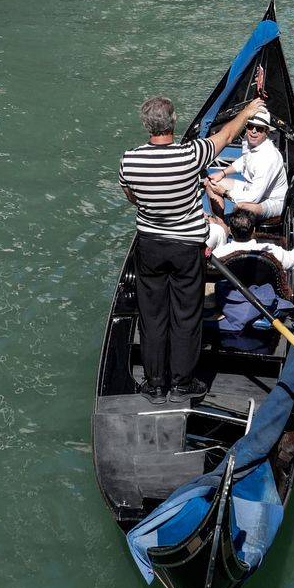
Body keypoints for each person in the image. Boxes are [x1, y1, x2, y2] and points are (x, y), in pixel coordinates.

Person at [119, 75, 266, 402]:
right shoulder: (191, 155)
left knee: (153, 316)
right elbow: (226, 134)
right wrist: (251, 108)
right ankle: (182, 384)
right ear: (174, 123)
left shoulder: (129, 161)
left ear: (147, 126)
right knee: (186, 315)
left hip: (150, 248)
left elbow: (131, 196)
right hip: (187, 248)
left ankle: (155, 385)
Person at [205, 102, 286, 223]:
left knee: (242, 207)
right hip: (251, 188)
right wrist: (222, 173)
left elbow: (253, 198)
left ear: (266, 132)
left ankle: (244, 235)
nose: (253, 132)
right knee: (210, 183)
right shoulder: (249, 142)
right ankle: (221, 224)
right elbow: (244, 161)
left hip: (272, 201)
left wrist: (225, 192)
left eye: (259, 129)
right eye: (250, 126)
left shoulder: (269, 158)